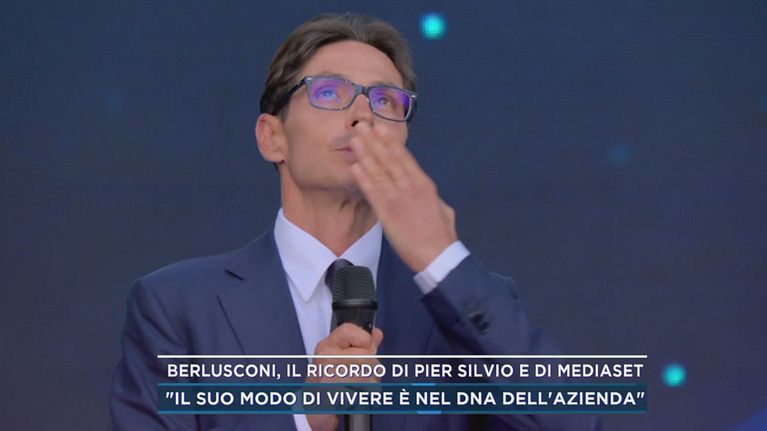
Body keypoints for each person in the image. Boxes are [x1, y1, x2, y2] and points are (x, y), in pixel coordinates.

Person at [110, 12, 600, 431]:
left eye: (386, 101)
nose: (364, 115)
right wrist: (305, 420)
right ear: (271, 137)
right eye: (329, 92)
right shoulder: (178, 306)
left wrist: (442, 260)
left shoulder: (463, 305)